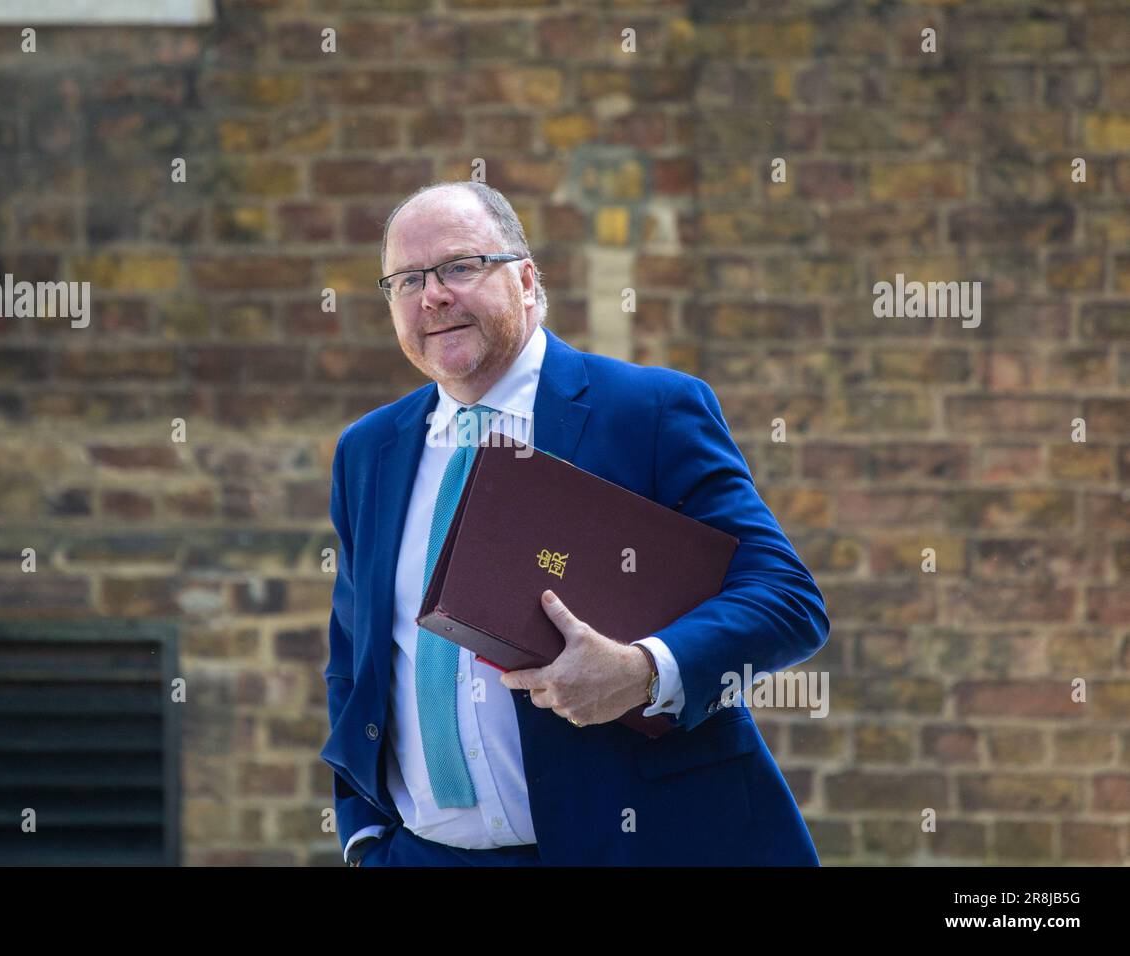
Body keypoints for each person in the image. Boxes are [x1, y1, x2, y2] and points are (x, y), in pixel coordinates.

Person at [321, 180, 829, 866]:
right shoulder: (369, 450)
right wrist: (364, 837)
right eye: (407, 280)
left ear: (527, 280)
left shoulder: (645, 411)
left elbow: (786, 600)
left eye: (460, 267)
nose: (432, 295)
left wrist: (644, 671)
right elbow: (353, 660)